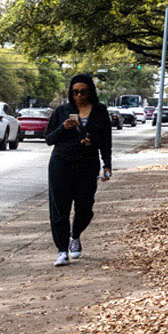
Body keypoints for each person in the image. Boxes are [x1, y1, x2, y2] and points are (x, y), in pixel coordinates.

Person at [44, 72, 113, 266]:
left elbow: (106, 141)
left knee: (85, 207)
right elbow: (49, 139)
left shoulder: (99, 111)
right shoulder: (62, 111)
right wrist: (63, 128)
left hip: (88, 165)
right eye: (75, 92)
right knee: (60, 209)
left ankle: (75, 235)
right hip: (61, 164)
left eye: (83, 92)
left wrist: (107, 165)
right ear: (71, 93)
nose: (79, 96)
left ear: (90, 92)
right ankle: (61, 250)